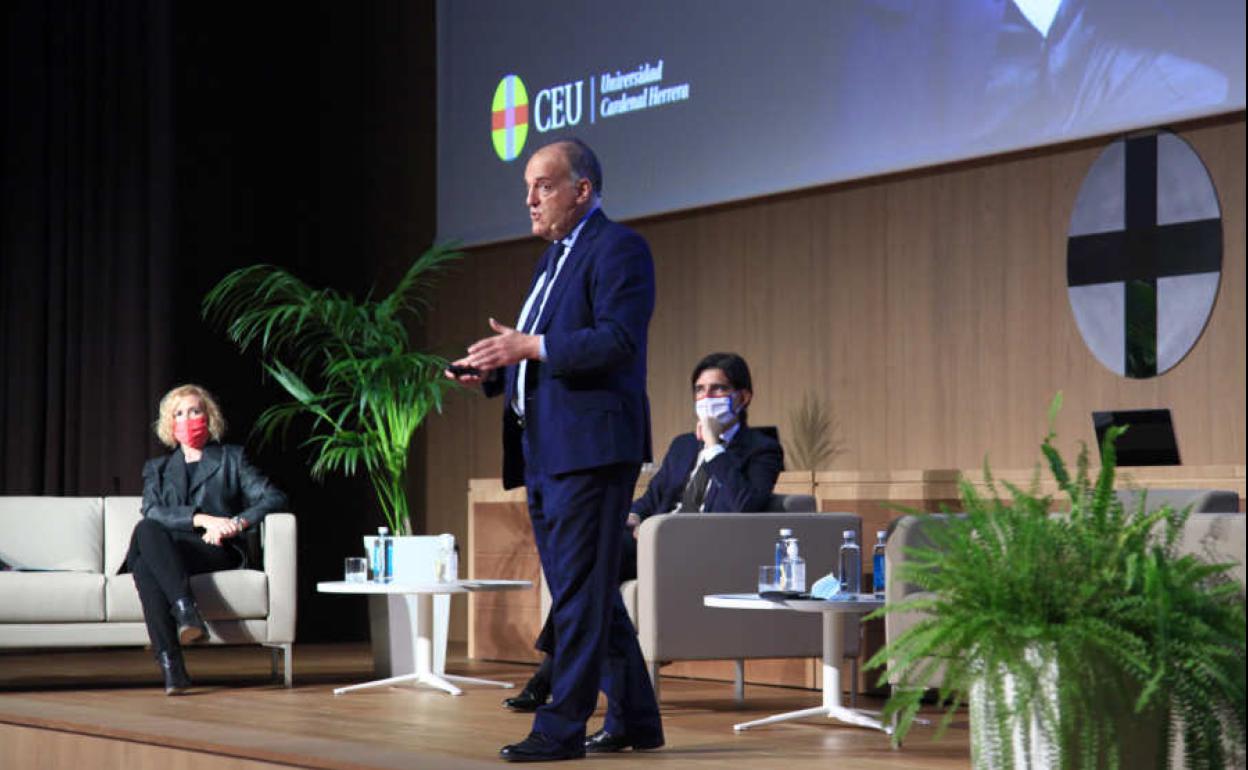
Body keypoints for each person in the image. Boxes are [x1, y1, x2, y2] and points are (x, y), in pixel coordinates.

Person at [448, 138, 663, 762]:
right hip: (545, 451)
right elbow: (534, 349)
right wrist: (491, 371)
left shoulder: (619, 248)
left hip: (591, 451)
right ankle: (637, 721)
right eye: (526, 189)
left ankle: (560, 726)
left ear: (583, 190)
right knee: (585, 590)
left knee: (576, 594)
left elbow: (616, 342)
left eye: (542, 186)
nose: (530, 200)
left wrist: (528, 348)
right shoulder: (552, 261)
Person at [503, 352, 784, 715]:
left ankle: (549, 677)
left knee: (591, 563)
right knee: (591, 566)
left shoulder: (762, 448)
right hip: (651, 547)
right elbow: (654, 497)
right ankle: (556, 677)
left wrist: (715, 448)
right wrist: (635, 516)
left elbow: (745, 506)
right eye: (699, 390)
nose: (706, 397)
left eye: (718, 389)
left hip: (704, 554)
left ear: (743, 397)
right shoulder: (684, 446)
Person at [128, 384, 287, 695]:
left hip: (214, 550)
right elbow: (152, 510)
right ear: (169, 424)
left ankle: (173, 666)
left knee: (146, 566)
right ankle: (185, 611)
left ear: (209, 416)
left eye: (195, 411)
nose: (188, 418)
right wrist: (201, 518)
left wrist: (235, 524)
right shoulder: (157, 469)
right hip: (170, 548)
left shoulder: (232, 458)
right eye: (179, 413)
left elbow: (273, 497)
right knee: (147, 531)